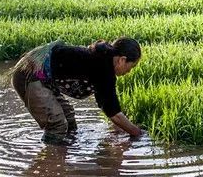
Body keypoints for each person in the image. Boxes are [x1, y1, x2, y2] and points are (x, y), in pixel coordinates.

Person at [10, 37, 143, 145]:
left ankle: (67, 152)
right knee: (57, 125)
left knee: (69, 119)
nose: (128, 72)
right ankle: (50, 161)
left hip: (45, 79)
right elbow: (114, 113)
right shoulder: (103, 68)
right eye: (131, 67)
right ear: (122, 60)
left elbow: (109, 106)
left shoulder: (104, 60)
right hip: (29, 75)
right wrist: (137, 133)